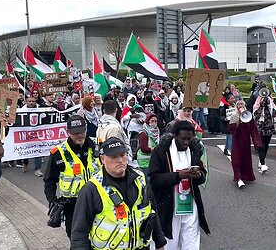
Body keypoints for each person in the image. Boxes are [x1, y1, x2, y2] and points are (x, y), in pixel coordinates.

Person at [71, 137, 167, 250]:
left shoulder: (140, 179)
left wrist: (160, 243)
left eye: (122, 155)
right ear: (102, 159)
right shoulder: (92, 188)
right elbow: (79, 233)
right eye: (114, 157)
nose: (120, 160)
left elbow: (152, 212)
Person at [149, 120, 210, 249]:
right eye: (183, 139)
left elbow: (203, 173)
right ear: (175, 135)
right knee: (170, 242)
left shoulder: (194, 150)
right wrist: (178, 176)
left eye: (189, 138)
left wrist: (199, 176)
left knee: (191, 242)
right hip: (169, 205)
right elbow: (154, 180)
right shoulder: (161, 151)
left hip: (190, 205)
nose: (186, 142)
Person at [43, 115, 100, 238]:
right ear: (68, 132)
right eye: (75, 133)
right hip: (73, 205)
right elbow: (49, 180)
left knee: (98, 235)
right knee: (75, 237)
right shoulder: (59, 153)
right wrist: (53, 200)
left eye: (82, 132)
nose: (80, 135)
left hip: (97, 200)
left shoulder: (98, 147)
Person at [229, 100, 262, 187]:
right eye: (238, 104)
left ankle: (245, 176)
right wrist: (238, 122)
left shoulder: (249, 116)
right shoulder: (234, 116)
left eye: (242, 104)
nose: (240, 106)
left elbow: (253, 130)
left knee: (246, 160)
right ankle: (238, 178)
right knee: (236, 160)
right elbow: (232, 130)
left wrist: (257, 143)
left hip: (246, 142)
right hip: (237, 142)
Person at [96, 100, 134, 166]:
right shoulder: (114, 129)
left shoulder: (100, 125)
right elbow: (117, 151)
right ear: (116, 110)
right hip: (116, 164)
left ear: (104, 111)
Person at [253, 89, 276, 173]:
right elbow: (255, 114)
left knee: (266, 144)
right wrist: (261, 106)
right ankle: (263, 164)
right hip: (260, 125)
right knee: (261, 144)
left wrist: (269, 105)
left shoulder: (270, 102)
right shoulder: (257, 102)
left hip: (269, 125)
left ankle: (262, 160)